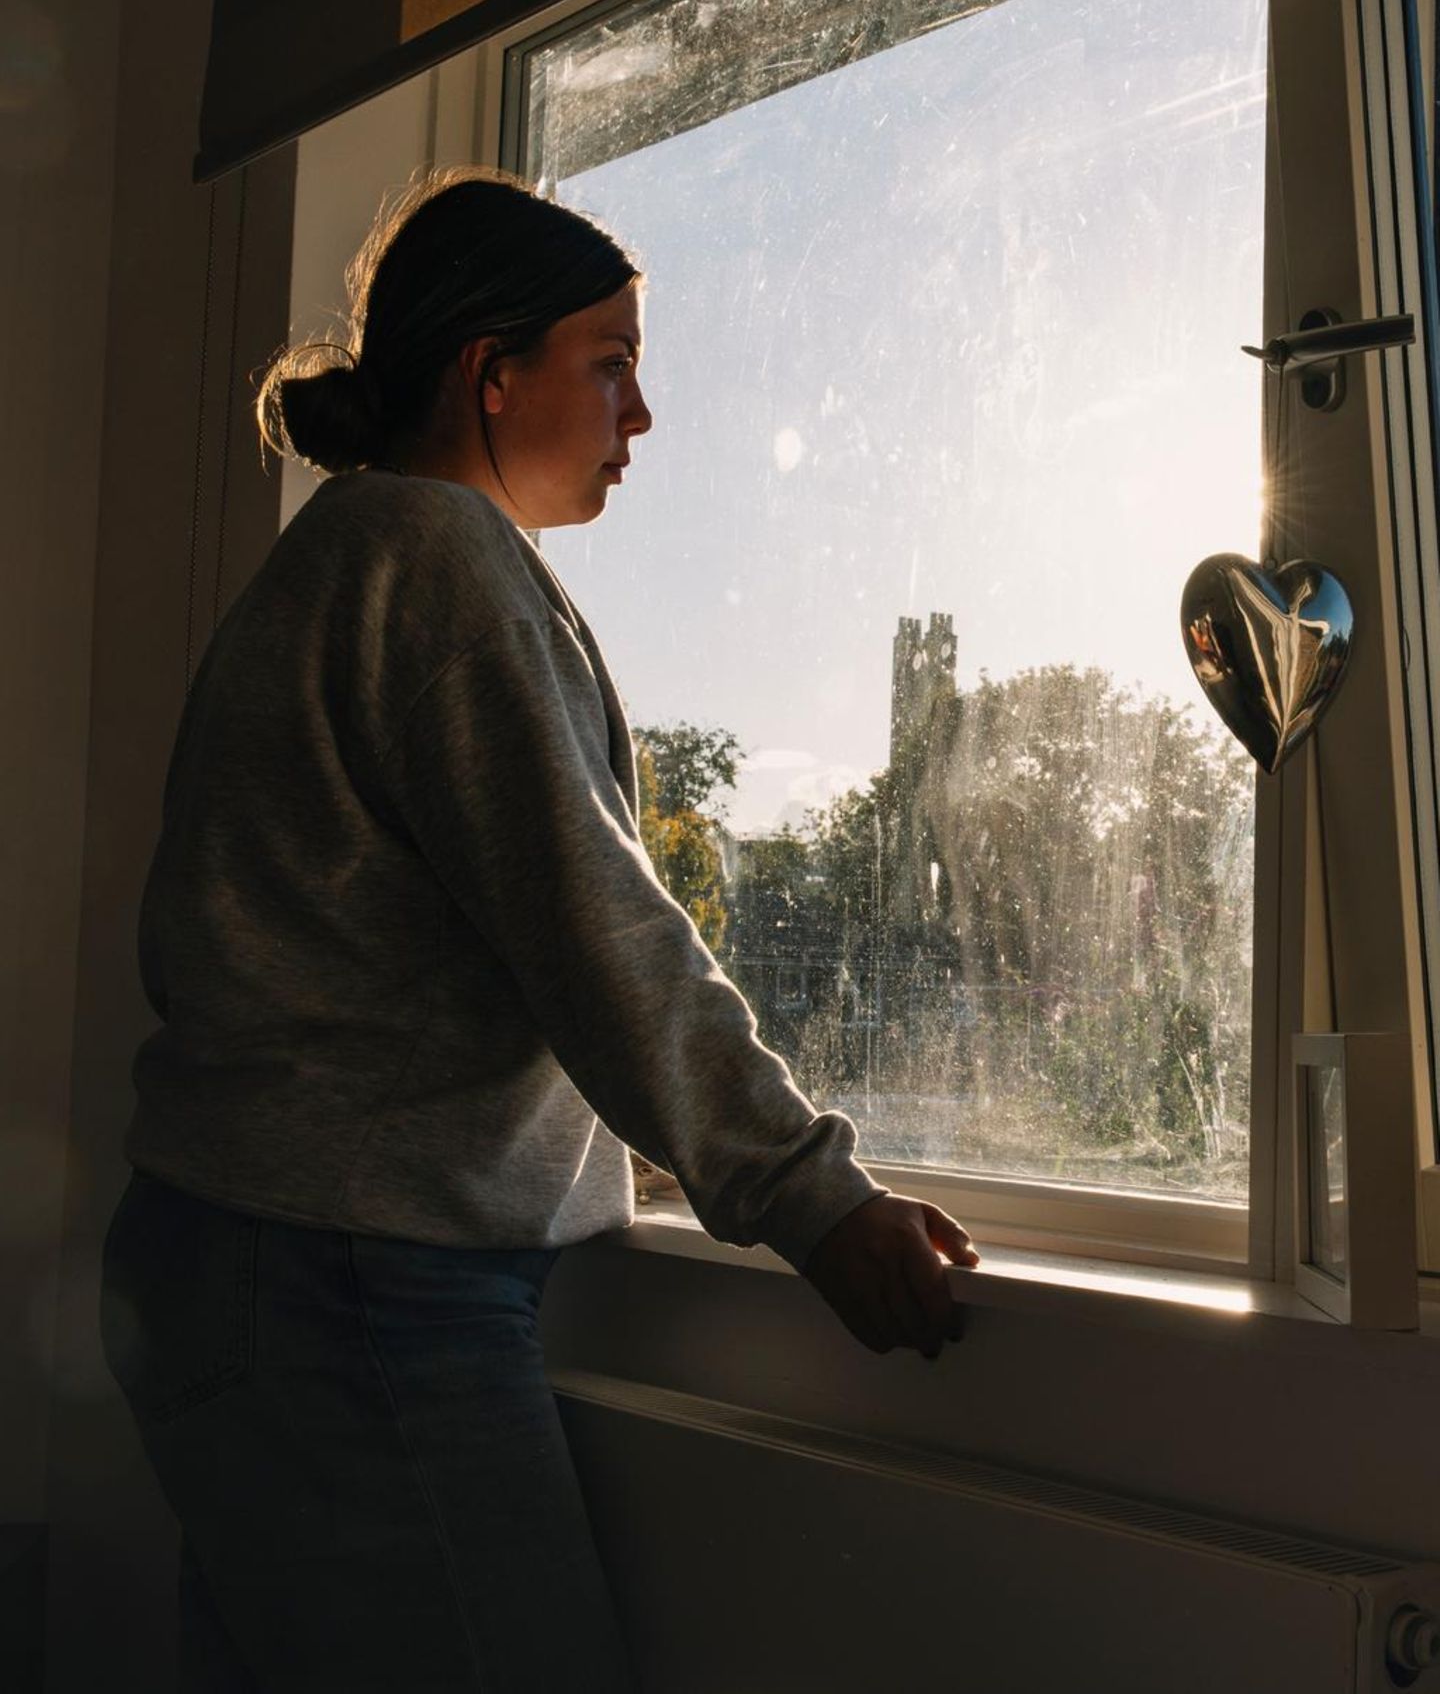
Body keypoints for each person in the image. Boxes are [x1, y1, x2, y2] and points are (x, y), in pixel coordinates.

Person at [99, 166, 980, 1693]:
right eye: (613, 364)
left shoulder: (346, 561)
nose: (640, 418)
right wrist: (811, 1197)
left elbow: (451, 946)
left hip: (257, 1264)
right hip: (347, 1284)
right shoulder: (433, 561)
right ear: (489, 374)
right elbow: (595, 923)